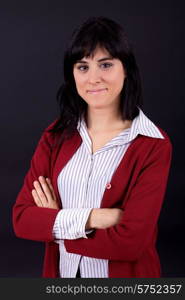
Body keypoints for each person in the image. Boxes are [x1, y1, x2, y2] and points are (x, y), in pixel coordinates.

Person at [12, 16, 172, 278]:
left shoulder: (153, 144)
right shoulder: (55, 136)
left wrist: (56, 222)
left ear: (126, 69)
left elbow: (131, 242)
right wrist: (97, 218)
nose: (93, 78)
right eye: (82, 67)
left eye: (105, 65)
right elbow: (22, 219)